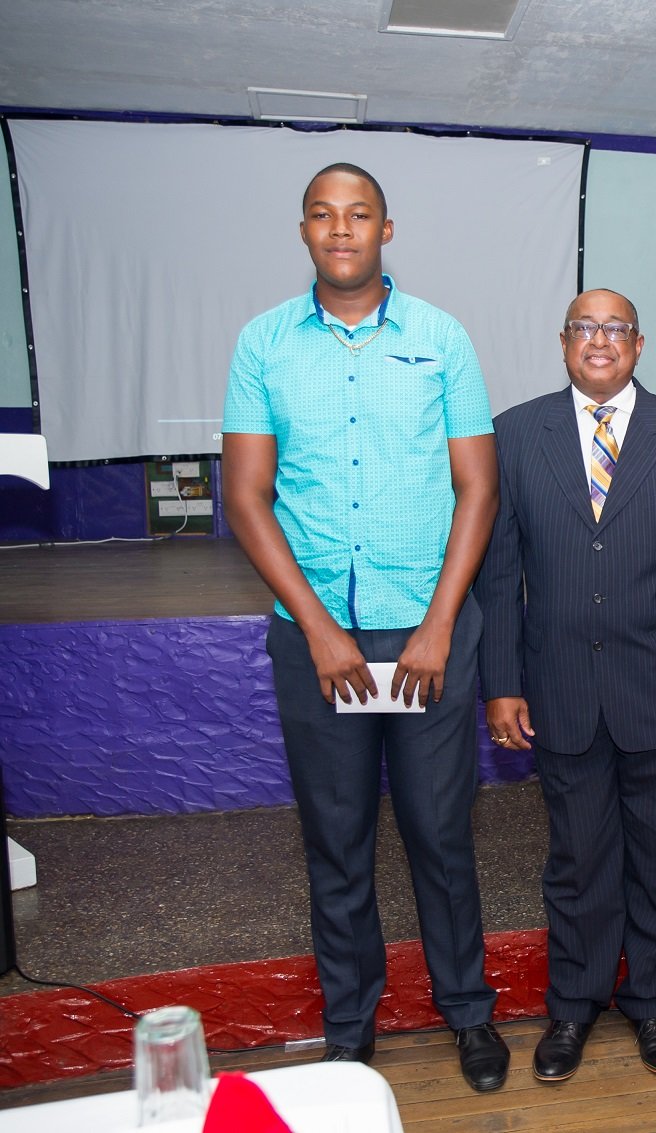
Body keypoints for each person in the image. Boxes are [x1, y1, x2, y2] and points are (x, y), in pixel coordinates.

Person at [222, 163, 509, 1091]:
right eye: (322, 215)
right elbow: (246, 497)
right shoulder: (262, 344)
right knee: (336, 839)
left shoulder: (442, 338)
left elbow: (478, 488)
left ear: (388, 228)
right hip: (317, 640)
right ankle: (349, 1028)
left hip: (425, 636)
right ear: (303, 229)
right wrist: (316, 625)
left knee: (440, 834)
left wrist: (436, 625)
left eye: (358, 215)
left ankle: (467, 1011)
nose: (341, 230)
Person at [475, 289, 656, 1083]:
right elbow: (499, 573)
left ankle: (653, 1002)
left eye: (615, 328)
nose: (600, 340)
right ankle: (573, 1007)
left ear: (639, 343)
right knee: (578, 859)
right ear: (563, 343)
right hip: (557, 691)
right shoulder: (516, 433)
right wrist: (502, 683)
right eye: (585, 328)